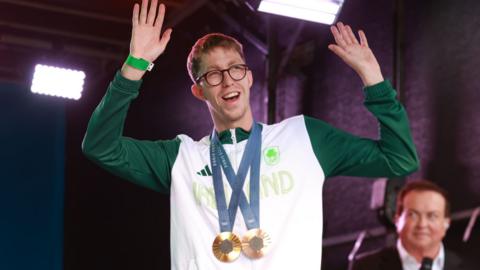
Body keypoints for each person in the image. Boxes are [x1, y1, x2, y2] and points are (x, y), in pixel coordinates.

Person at [82, 0, 419, 269]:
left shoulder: (304, 138)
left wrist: (373, 78)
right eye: (212, 75)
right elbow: (100, 146)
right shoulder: (181, 158)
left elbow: (399, 158)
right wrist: (135, 65)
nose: (227, 80)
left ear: (249, 77)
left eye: (235, 69)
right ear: (198, 91)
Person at [352, 180, 475, 270]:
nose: (422, 224)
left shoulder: (470, 266)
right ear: (397, 220)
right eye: (413, 215)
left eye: (432, 216)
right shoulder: (366, 266)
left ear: (446, 223)